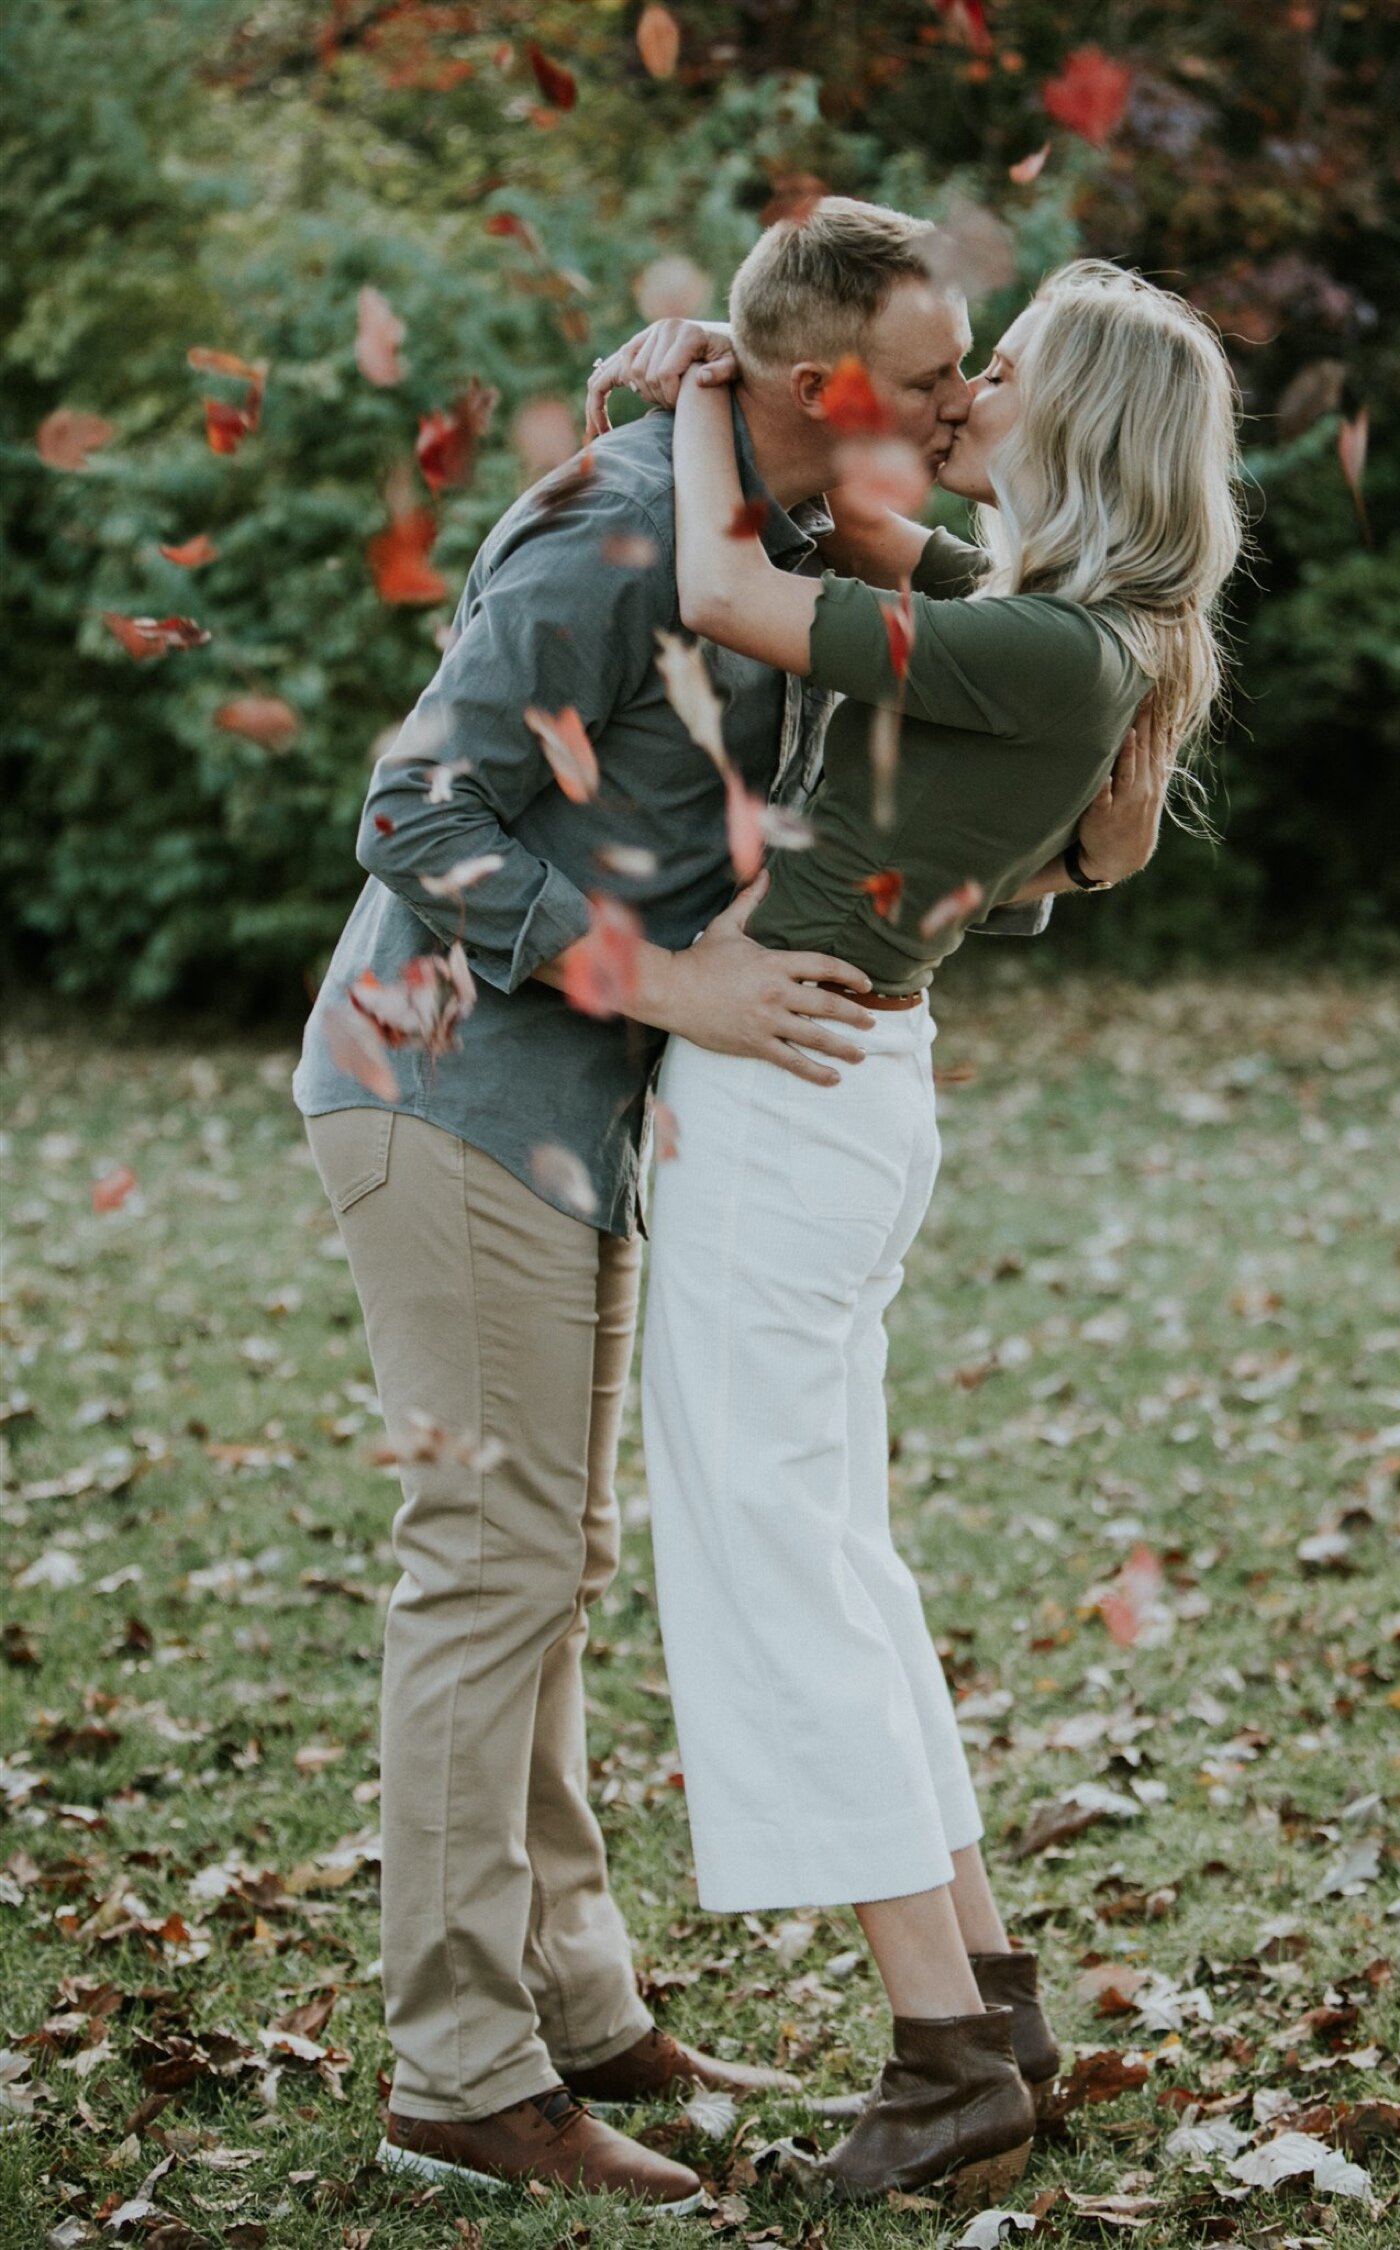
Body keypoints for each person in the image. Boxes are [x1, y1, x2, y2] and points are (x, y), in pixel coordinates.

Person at [292, 199, 1166, 2211]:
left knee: (549, 1555)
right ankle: (459, 2067)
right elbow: (414, 811)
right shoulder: (613, 531)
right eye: (932, 369)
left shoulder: (785, 539)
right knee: (489, 1560)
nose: (962, 399)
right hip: (451, 1082)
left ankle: (583, 2009)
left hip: (594, 1107)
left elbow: (892, 803)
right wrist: (670, 981)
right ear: (810, 381)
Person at [604, 257, 1244, 2202]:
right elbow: (840, 517)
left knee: (780, 1577)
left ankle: (944, 2054)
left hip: (788, 1103)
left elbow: (727, 593)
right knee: (844, 1567)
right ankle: (990, 2003)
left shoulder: (1050, 653)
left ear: (1088, 429)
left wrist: (706, 410)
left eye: (1002, 376)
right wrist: (722, 381)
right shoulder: (1044, 627)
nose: (961, 399)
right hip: (837, 1096)